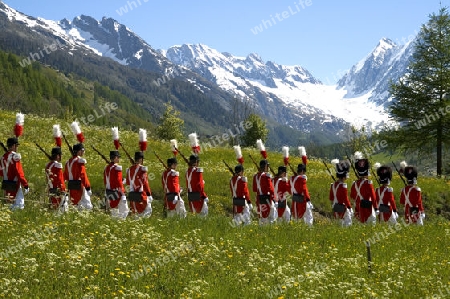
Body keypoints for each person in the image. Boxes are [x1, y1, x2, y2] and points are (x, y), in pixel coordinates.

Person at [1, 137, 29, 209]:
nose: (17, 148)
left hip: (5, 184)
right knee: (19, 206)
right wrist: (25, 185)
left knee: (9, 205)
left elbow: (1, 172)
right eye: (16, 146)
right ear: (13, 146)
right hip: (15, 185)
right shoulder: (15, 156)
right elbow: (19, 172)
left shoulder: (3, 157)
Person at [350, 153, 378, 224]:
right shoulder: (368, 183)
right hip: (368, 209)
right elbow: (373, 197)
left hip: (358, 209)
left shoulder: (354, 184)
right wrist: (376, 208)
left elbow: (352, 196)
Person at [64, 143, 93, 210]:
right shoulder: (80, 161)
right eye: (82, 150)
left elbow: (65, 176)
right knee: (87, 205)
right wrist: (88, 187)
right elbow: (83, 175)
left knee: (76, 205)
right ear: (79, 151)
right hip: (80, 185)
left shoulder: (67, 162)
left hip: (71, 186)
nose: (83, 152)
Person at [126, 151, 153, 218]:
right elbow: (145, 183)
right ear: (141, 159)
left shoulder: (129, 169)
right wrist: (149, 194)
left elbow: (128, 182)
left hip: (132, 195)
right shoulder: (142, 169)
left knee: (135, 215)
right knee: (147, 211)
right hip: (141, 195)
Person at [104, 150, 129, 219]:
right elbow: (118, 182)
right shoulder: (117, 168)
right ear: (115, 158)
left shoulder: (106, 168)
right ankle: (121, 222)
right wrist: (123, 192)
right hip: (117, 192)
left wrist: (122, 181)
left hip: (109, 191)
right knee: (125, 210)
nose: (119, 159)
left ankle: (115, 221)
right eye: (118, 157)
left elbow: (107, 180)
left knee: (114, 210)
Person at [329, 159, 353, 227]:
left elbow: (331, 198)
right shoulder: (343, 186)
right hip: (343, 208)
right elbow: (345, 199)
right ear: (344, 176)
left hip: (335, 207)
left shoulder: (333, 185)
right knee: (348, 224)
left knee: (339, 225)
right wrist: (350, 207)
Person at [252, 159, 275, 225]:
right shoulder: (266, 176)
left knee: (261, 216)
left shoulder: (255, 176)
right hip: (267, 198)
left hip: (259, 198)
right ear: (265, 166)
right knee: (271, 216)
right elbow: (270, 189)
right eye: (267, 166)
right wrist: (273, 197)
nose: (268, 168)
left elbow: (254, 189)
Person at [45, 146, 67, 212]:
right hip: (58, 190)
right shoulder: (57, 165)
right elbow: (60, 179)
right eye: (60, 155)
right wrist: (63, 190)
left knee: (53, 208)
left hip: (51, 189)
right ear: (58, 156)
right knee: (61, 210)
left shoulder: (48, 165)